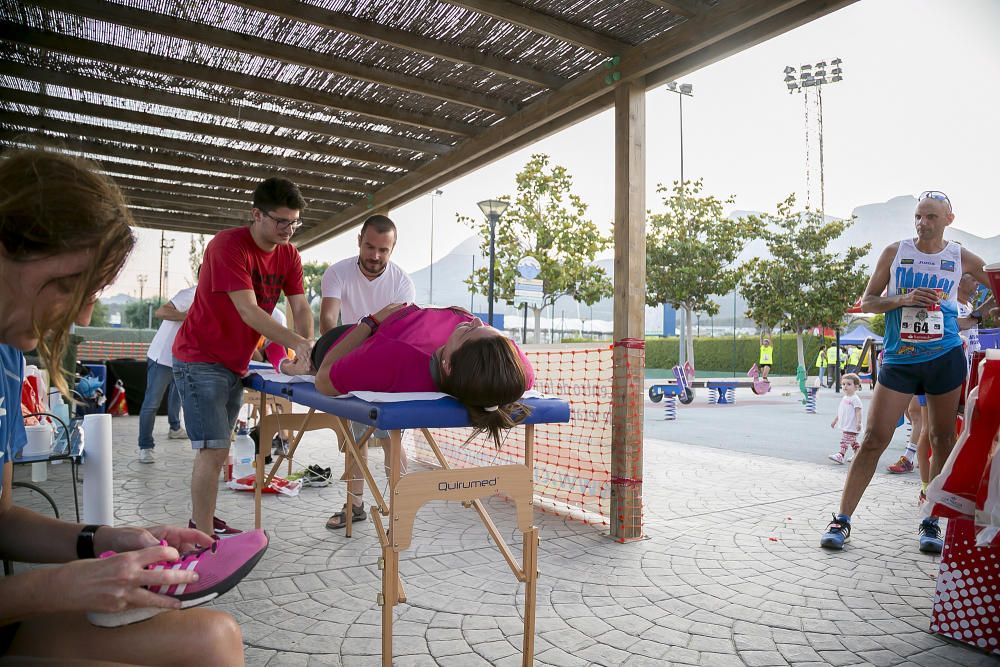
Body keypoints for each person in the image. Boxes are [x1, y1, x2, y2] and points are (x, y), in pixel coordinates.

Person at [0, 149, 244, 663]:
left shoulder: (5, 357)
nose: (84, 312)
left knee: (215, 639)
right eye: (70, 285)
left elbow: (2, 520)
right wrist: (58, 588)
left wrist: (109, 539)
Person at [819, 190, 993, 553]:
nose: (922, 223)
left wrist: (983, 311)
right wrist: (903, 298)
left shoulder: (959, 256)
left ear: (949, 219)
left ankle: (931, 521)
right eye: (918, 216)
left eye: (931, 216)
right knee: (872, 440)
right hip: (900, 359)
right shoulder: (895, 252)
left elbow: (995, 281)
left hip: (944, 358)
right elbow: (868, 301)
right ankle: (841, 520)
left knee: (943, 439)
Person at [173, 177, 314, 536]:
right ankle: (202, 536)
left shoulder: (290, 254)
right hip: (199, 359)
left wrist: (308, 349)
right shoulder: (227, 245)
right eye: (282, 221)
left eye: (294, 222)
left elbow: (300, 305)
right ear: (256, 214)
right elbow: (249, 312)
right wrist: (299, 342)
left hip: (235, 364)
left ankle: (201, 522)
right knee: (212, 451)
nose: (288, 229)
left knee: (218, 452)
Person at [313, 303, 534, 449]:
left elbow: (323, 380)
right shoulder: (515, 372)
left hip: (352, 338)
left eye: (469, 330)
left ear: (447, 365)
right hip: (408, 321)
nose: (476, 319)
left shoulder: (394, 356)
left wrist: (371, 321)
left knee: (310, 353)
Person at [318, 215, 415, 530]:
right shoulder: (337, 273)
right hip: (349, 363)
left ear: (393, 249)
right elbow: (329, 320)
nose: (375, 255)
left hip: (386, 366)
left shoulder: (402, 282)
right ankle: (355, 505)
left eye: (383, 250)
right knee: (354, 440)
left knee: (391, 440)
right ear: (359, 240)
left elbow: (400, 332)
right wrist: (333, 358)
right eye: (370, 246)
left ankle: (400, 508)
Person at [136, 283, 196, 463]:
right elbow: (161, 312)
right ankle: (145, 446)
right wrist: (188, 317)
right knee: (152, 403)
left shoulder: (215, 298)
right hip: (162, 357)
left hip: (183, 358)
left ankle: (175, 428)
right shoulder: (190, 294)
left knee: (177, 396)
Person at [828, 373, 863, 464]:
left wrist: (858, 423)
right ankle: (859, 455)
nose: (845, 386)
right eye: (843, 384)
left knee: (845, 440)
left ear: (856, 386)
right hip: (846, 424)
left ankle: (841, 455)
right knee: (852, 442)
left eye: (848, 384)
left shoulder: (855, 399)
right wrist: (835, 421)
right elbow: (841, 411)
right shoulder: (845, 398)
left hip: (852, 425)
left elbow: (858, 411)